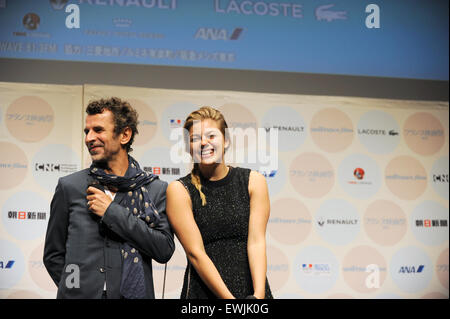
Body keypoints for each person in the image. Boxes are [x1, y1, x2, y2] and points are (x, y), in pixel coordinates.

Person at [43, 97, 175, 299]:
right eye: (87, 132)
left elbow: (163, 249)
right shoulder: (69, 186)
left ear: (124, 134)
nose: (89, 138)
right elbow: (53, 254)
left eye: (98, 130)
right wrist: (74, 290)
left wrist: (112, 212)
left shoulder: (154, 189)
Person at [166, 106, 273, 299]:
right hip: (204, 293)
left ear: (226, 140)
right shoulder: (179, 190)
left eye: (211, 136)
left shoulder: (253, 181)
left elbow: (256, 242)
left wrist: (258, 295)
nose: (203, 143)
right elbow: (195, 254)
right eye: (194, 139)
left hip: (252, 292)